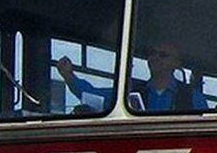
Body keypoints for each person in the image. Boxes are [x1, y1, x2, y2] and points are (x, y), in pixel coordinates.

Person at [56, 41, 207, 112]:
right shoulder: (129, 91)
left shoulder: (193, 97)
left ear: (177, 64)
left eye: (163, 55)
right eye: (152, 53)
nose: (156, 58)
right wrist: (68, 75)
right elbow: (94, 95)